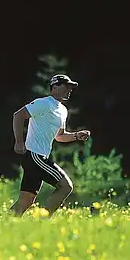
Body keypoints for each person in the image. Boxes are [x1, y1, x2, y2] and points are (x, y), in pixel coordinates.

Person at [9, 74, 91, 217]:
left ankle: (2, 224)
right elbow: (18, 116)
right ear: (55, 87)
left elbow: (59, 136)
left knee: (26, 201)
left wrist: (76, 135)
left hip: (37, 157)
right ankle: (41, 221)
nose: (70, 90)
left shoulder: (63, 110)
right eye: (67, 86)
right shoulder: (43, 103)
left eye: (71, 88)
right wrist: (19, 142)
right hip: (34, 155)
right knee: (66, 186)